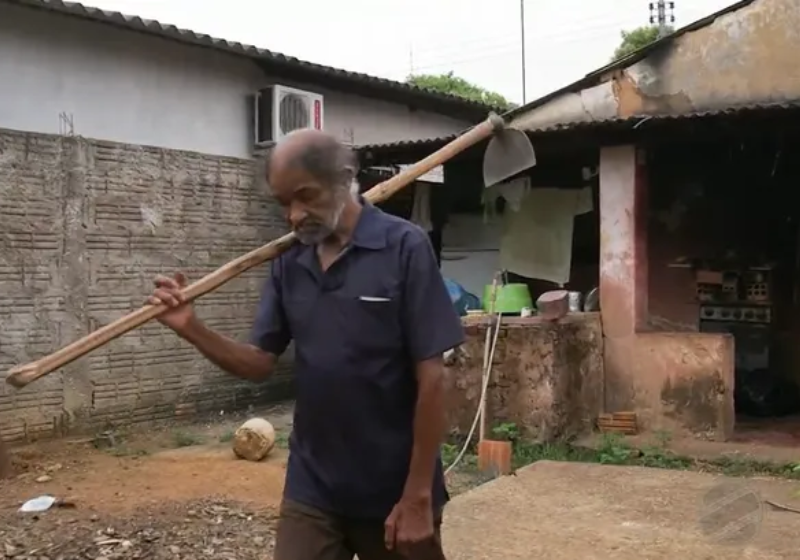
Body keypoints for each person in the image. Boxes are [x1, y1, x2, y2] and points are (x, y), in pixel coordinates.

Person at [148, 129, 464, 560]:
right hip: (313, 485)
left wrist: (418, 496)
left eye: (304, 197)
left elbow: (433, 380)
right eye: (282, 203)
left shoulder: (404, 247)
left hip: (394, 485)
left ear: (344, 178)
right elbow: (259, 363)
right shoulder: (289, 263)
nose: (293, 216)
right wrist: (191, 326)